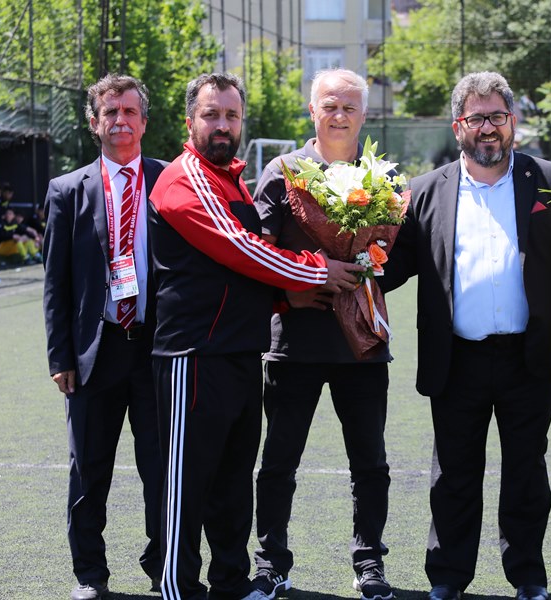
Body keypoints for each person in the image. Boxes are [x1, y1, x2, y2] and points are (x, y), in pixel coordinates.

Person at [148, 72, 363, 600]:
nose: (222, 125)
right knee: (186, 483)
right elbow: (240, 249)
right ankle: (177, 587)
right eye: (211, 115)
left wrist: (283, 298)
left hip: (243, 352)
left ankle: (230, 581)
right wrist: (317, 271)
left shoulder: (235, 180)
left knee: (231, 481)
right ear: (189, 121)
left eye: (231, 115)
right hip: (192, 357)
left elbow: (240, 275)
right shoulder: (184, 179)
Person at [380, 71, 551, 600]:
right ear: (458, 127)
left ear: (512, 122)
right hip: (457, 358)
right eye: (477, 118)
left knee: (526, 473)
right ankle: (448, 577)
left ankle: (528, 576)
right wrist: (346, 260)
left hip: (527, 357)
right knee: (452, 477)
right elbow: (393, 266)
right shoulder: (424, 192)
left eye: (497, 116)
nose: (488, 128)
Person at [250, 68, 394, 600]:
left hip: (362, 342)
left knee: (371, 461)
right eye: (329, 106)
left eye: (350, 107)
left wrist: (371, 265)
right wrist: (300, 284)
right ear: (313, 110)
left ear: (364, 114)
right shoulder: (283, 171)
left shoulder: (382, 177)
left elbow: (393, 261)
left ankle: (369, 561)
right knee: (280, 460)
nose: (339, 115)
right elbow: (258, 251)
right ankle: (271, 563)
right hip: (295, 342)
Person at [42, 74, 164, 600]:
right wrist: (59, 355)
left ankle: (166, 567)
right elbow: (57, 282)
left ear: (144, 120)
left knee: (162, 470)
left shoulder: (171, 180)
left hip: (159, 349)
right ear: (95, 123)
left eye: (129, 111)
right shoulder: (67, 191)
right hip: (95, 350)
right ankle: (90, 574)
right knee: (88, 472)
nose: (120, 120)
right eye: (110, 112)